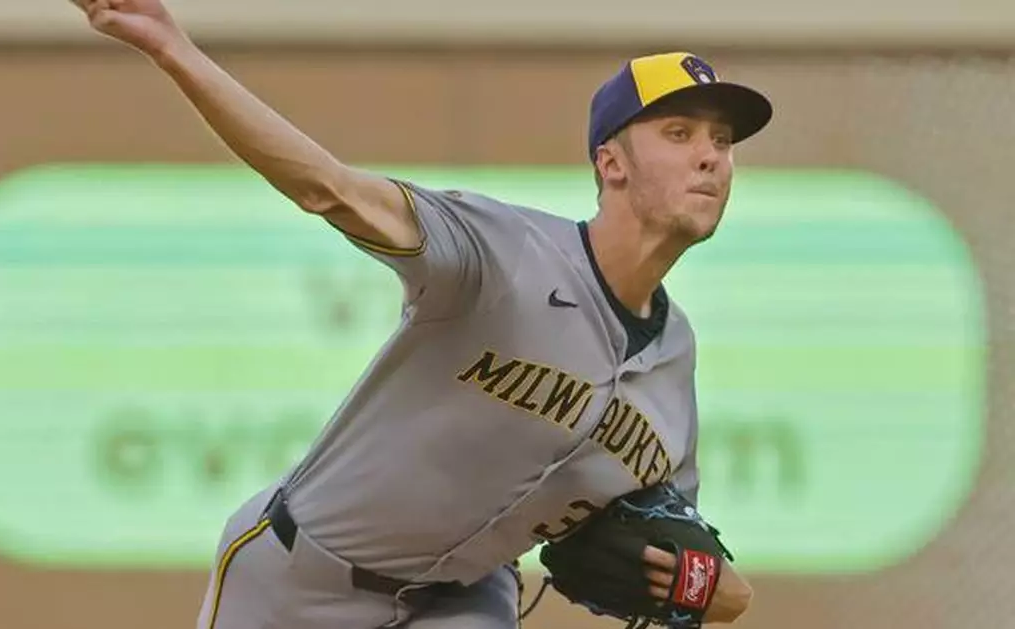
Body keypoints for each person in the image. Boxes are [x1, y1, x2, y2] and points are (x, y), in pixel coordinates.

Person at [67, 1, 773, 627]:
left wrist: (718, 590)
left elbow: (689, 550)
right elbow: (329, 189)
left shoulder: (674, 358)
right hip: (296, 580)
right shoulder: (504, 254)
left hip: (463, 601)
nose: (711, 158)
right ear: (610, 163)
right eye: (680, 134)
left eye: (721, 141)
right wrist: (172, 48)